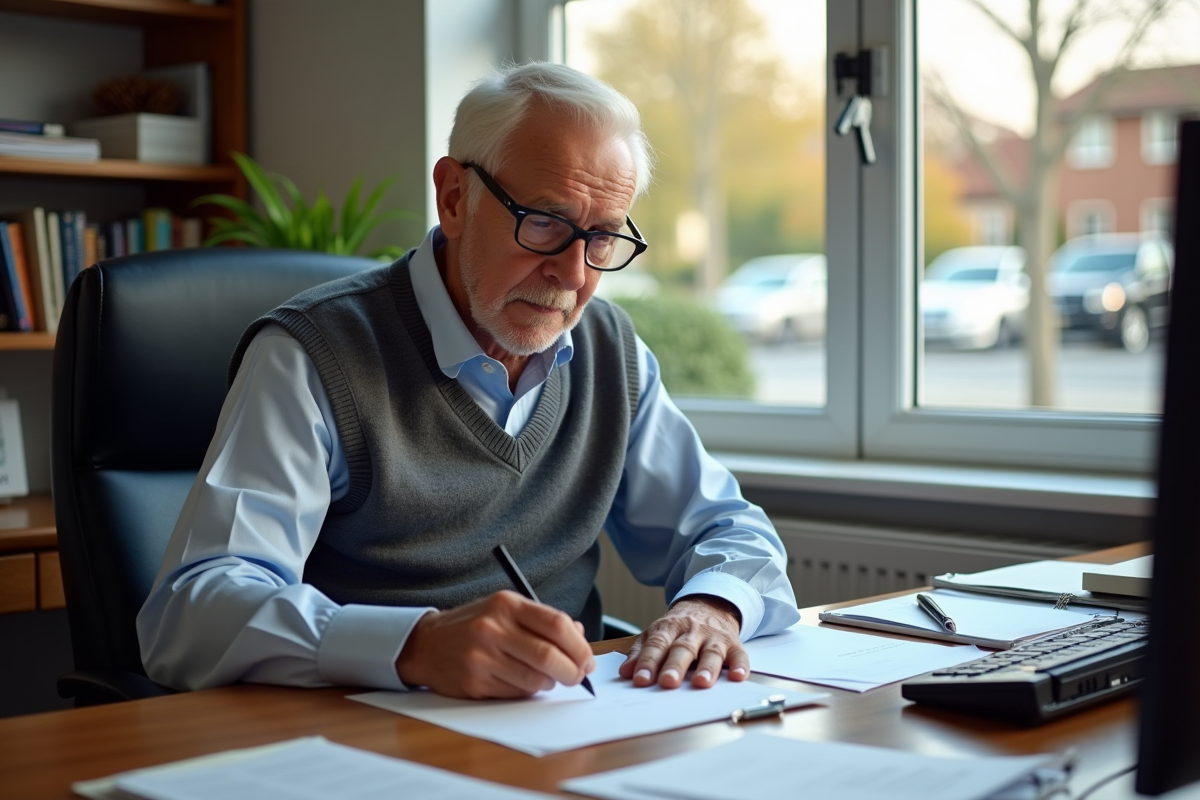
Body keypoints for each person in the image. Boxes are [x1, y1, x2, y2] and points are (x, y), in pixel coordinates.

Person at [137, 62, 799, 700]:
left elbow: (727, 529)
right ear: (455, 197)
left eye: (601, 239)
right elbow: (191, 612)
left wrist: (714, 607)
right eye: (544, 222)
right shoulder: (311, 356)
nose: (573, 276)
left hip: (566, 731)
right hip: (365, 740)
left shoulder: (609, 350)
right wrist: (414, 645)